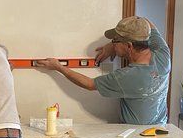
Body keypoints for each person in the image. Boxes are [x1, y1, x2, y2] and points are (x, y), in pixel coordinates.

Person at [36, 16, 171, 125]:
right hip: (161, 128)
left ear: (129, 46)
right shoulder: (163, 55)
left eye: (115, 40)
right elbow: (144, 21)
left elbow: (89, 84)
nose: (113, 43)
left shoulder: (127, 77)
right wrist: (113, 47)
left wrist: (58, 67)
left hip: (136, 136)